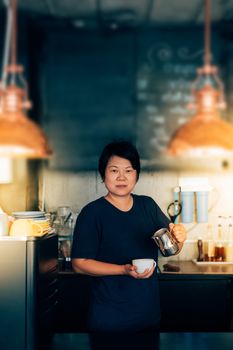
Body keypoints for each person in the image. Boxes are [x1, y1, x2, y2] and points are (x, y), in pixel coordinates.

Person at [71, 140, 186, 335]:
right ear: (103, 174)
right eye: (114, 170)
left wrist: (180, 238)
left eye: (129, 170)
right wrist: (122, 270)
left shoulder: (147, 206)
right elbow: (79, 264)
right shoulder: (92, 213)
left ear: (136, 175)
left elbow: (171, 248)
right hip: (109, 318)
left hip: (148, 315)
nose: (121, 177)